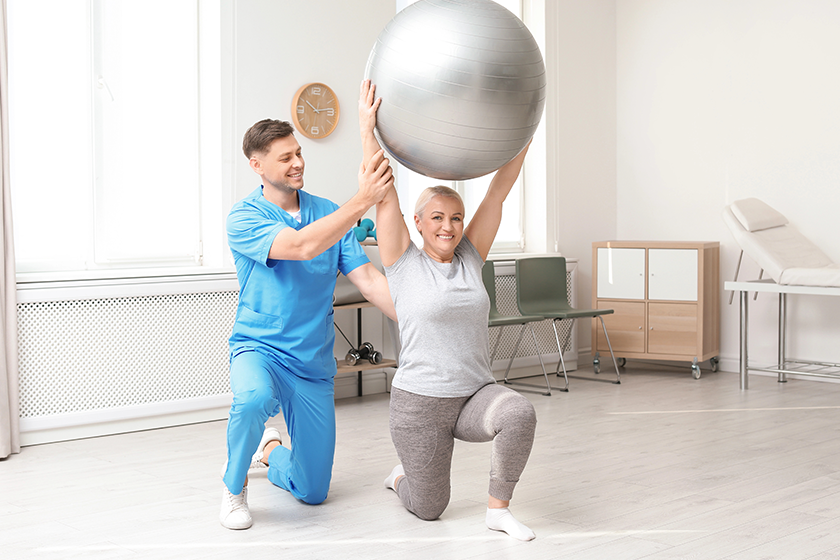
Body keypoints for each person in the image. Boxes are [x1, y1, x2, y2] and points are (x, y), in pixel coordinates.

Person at [359, 80, 538, 541]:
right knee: (429, 508)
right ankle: (402, 477)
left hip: (474, 395)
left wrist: (525, 130)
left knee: (518, 414)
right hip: (419, 406)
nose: (448, 226)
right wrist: (366, 128)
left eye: (455, 217)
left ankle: (498, 511)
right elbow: (382, 190)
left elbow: (497, 193)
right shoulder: (403, 263)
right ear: (418, 224)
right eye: (437, 217)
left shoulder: (471, 257)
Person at [220, 117, 396, 530]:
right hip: (260, 349)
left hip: (311, 360)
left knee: (313, 491)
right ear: (257, 165)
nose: (298, 162)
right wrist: (364, 199)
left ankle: (270, 452)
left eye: (298, 153)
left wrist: (421, 318)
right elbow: (300, 246)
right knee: (252, 399)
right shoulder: (244, 217)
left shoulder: (328, 212)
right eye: (285, 158)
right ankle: (233, 488)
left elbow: (369, 281)